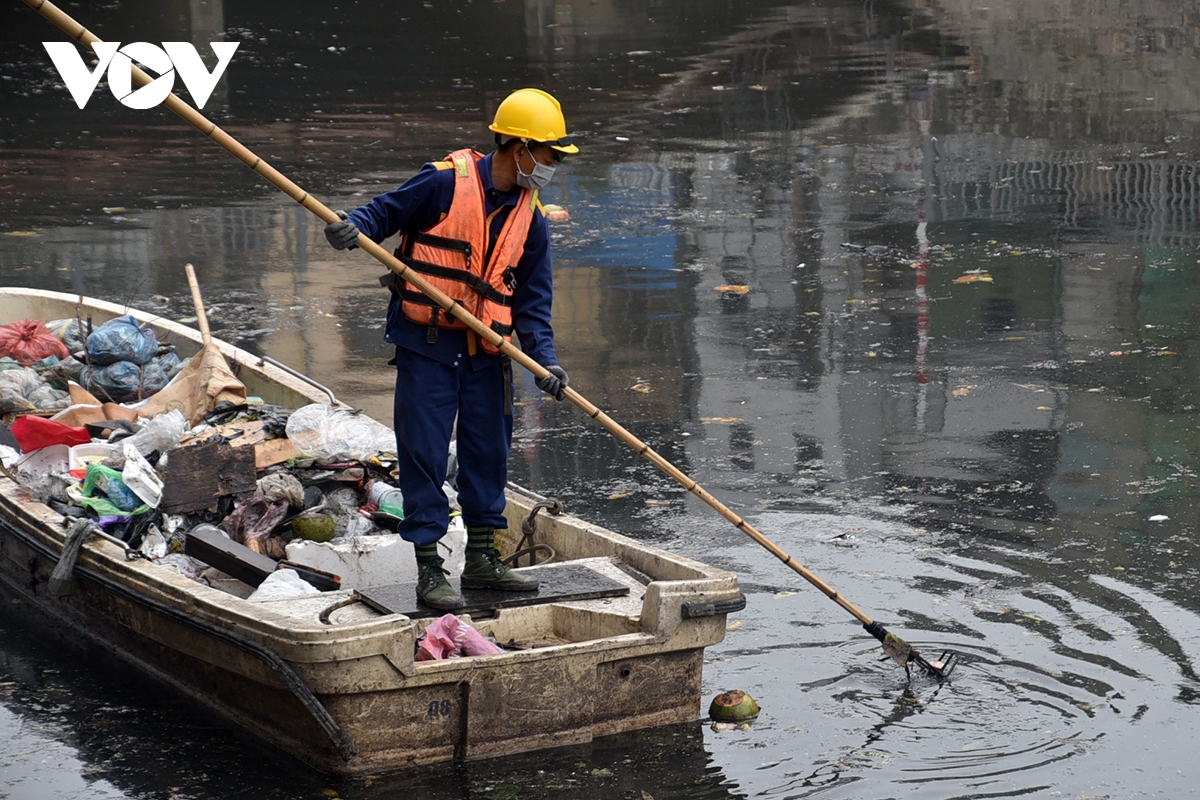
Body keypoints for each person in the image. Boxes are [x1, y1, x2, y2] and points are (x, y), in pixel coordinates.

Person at [323, 88, 576, 610]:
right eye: (548, 155)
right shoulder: (443, 182)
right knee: (425, 455)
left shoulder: (532, 216)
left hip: (487, 352)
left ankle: (483, 562)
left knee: (488, 453)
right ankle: (430, 569)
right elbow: (381, 213)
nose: (551, 166)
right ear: (520, 146)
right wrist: (353, 228)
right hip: (429, 344)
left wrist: (546, 360)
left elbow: (532, 299)